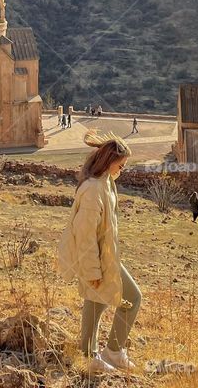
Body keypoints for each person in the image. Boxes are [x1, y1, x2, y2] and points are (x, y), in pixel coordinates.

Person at [58, 132, 142, 375]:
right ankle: (111, 352)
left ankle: (90, 356)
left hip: (105, 256)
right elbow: (84, 235)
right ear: (109, 161)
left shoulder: (105, 183)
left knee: (96, 302)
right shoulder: (94, 189)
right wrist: (92, 270)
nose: (123, 169)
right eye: (121, 164)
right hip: (96, 259)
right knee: (132, 299)